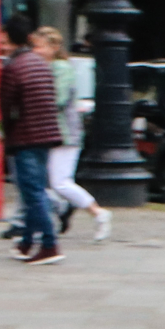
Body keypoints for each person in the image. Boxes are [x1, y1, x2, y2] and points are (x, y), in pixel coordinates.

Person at [31, 26, 111, 242]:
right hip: (53, 132)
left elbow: (57, 99)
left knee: (60, 182)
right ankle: (60, 211)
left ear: (54, 47)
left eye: (39, 47)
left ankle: (98, 213)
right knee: (45, 181)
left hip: (64, 133)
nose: (35, 51)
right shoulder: (50, 66)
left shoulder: (60, 69)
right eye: (34, 47)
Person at [0, 17, 64, 262]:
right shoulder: (39, 63)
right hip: (46, 135)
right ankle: (26, 242)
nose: (1, 46)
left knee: (32, 192)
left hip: (25, 136)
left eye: (3, 41)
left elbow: (6, 106)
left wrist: (6, 134)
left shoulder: (13, 67)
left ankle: (49, 244)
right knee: (34, 188)